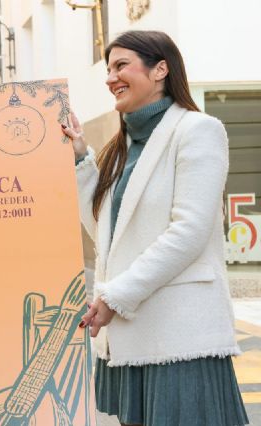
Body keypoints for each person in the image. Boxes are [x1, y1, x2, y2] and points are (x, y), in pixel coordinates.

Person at [61, 31, 249, 426]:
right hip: (133, 336)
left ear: (160, 69)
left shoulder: (198, 130)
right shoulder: (123, 146)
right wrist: (80, 155)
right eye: (108, 68)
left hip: (181, 336)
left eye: (121, 65)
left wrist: (113, 298)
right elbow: (106, 233)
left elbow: (190, 232)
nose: (110, 77)